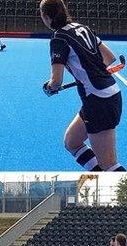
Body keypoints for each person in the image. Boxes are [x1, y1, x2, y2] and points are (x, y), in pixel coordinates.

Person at [41, 0, 124, 171]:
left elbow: (56, 81)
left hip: (99, 101)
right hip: (102, 95)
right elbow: (109, 57)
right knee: (72, 141)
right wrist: (92, 71)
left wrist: (49, 88)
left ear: (46, 17)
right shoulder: (82, 27)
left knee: (109, 165)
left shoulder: (58, 38)